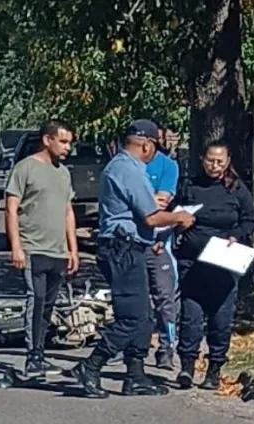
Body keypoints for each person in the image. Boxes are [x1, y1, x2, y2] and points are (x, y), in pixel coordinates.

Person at [67, 119, 195, 399]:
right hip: (122, 249)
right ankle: (90, 366)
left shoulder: (124, 167)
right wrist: (179, 217)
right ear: (147, 144)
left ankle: (135, 375)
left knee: (144, 317)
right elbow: (150, 215)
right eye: (154, 146)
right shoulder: (128, 169)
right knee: (132, 318)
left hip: (130, 247)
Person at [173, 141, 254, 391]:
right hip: (192, 262)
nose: (214, 165)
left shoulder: (236, 189)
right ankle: (186, 367)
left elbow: (249, 220)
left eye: (220, 161)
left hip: (223, 263)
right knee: (191, 317)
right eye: (210, 160)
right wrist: (180, 222)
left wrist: (235, 235)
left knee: (221, 319)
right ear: (203, 159)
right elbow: (174, 212)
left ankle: (214, 369)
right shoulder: (190, 185)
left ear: (228, 161)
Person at [4, 120, 80, 378]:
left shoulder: (63, 173)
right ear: (47, 140)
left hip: (58, 251)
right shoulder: (25, 168)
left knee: (48, 304)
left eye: (70, 142)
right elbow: (11, 208)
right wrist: (16, 247)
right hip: (33, 249)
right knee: (35, 301)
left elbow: (68, 212)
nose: (68, 147)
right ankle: (32, 357)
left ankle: (41, 354)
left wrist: (73, 249)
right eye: (63, 141)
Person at [146, 124, 181, 369]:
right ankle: (131, 347)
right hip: (129, 243)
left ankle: (166, 347)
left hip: (160, 242)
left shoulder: (168, 166)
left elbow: (162, 201)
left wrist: (140, 200)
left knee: (165, 297)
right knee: (132, 298)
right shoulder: (125, 166)